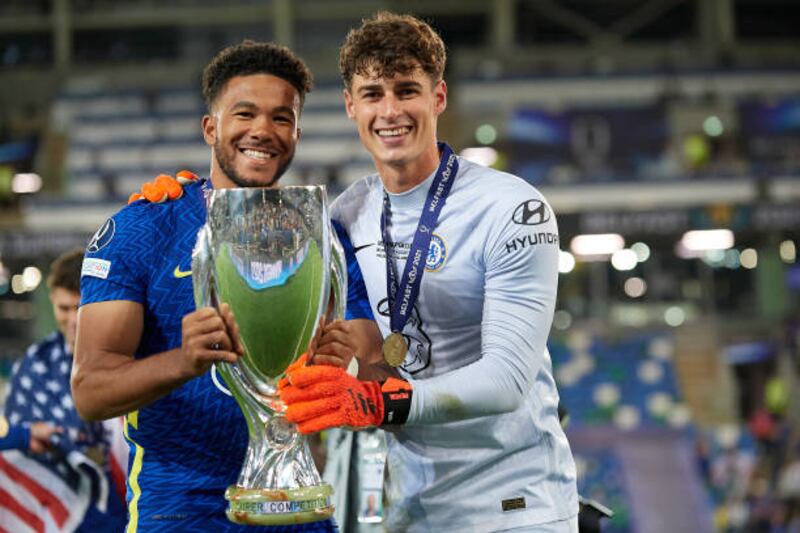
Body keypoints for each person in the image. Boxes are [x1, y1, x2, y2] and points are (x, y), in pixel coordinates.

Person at [279, 12, 579, 532]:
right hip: (409, 507)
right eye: (372, 94)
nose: (390, 110)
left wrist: (377, 401)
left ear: (438, 98)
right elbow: (372, 358)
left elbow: (506, 380)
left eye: (406, 90)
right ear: (351, 106)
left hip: (514, 505)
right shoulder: (344, 218)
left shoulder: (510, 207)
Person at [73, 41, 367, 532]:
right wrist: (182, 361)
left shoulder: (323, 235)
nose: (262, 131)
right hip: (180, 509)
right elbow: (89, 391)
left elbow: (368, 369)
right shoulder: (142, 229)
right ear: (211, 127)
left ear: (297, 132)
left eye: (281, 118)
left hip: (295, 503)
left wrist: (345, 366)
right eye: (245, 113)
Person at [2, 248, 127, 531]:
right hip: (58, 513)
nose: (74, 320)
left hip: (127, 509)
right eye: (64, 308)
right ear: (52, 301)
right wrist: (23, 435)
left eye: (81, 307)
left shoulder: (134, 359)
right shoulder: (35, 365)